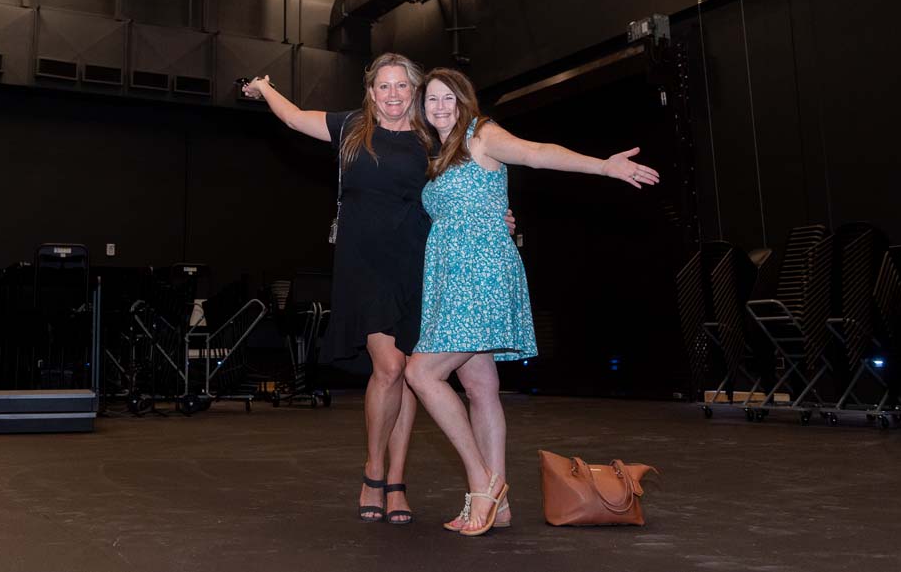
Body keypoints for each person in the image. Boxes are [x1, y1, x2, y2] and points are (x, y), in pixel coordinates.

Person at [243, 54, 514, 526]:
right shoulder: (350, 127)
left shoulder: (433, 136)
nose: (393, 95)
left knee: (411, 370)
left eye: (402, 87)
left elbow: (474, 181)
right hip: (363, 264)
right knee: (388, 368)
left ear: (414, 91)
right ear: (370, 93)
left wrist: (499, 217)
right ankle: (373, 469)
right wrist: (264, 88)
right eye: (383, 87)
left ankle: (397, 482)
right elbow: (291, 117)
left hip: (419, 262)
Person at [404, 67, 659, 536]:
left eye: (447, 99)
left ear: (464, 101)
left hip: (481, 276)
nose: (439, 107)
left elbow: (538, 155)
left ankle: (483, 483)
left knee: (420, 372)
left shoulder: (484, 136)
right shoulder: (439, 155)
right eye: (431, 101)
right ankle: (497, 505)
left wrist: (604, 165)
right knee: (480, 387)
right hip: (451, 280)